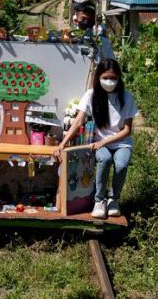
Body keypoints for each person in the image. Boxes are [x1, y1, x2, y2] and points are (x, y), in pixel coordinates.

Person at [53, 59, 139, 219]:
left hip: (121, 143)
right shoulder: (91, 95)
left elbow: (127, 130)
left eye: (113, 78)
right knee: (104, 160)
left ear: (119, 78)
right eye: (105, 77)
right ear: (98, 77)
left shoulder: (127, 97)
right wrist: (62, 144)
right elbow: (78, 121)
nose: (109, 81)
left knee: (121, 165)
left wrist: (103, 142)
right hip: (100, 143)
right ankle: (99, 200)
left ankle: (114, 199)